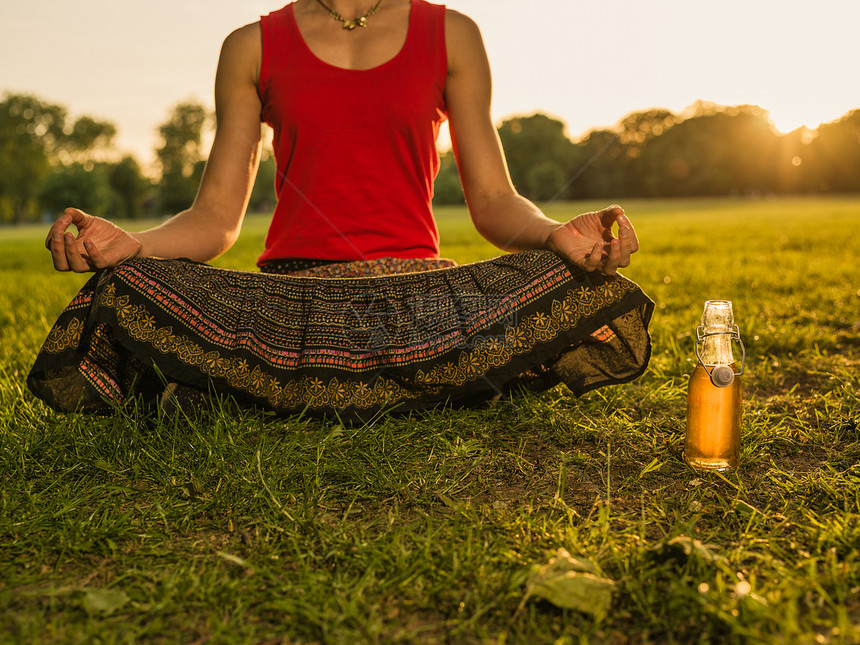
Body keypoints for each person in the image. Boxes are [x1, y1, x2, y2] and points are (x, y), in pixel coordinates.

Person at [29, 0, 653, 420]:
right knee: (131, 281)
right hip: (292, 303)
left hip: (418, 298)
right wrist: (135, 245)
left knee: (575, 276)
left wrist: (554, 237)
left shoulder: (451, 33)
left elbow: (491, 202)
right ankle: (410, 383)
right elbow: (217, 217)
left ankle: (250, 390)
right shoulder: (251, 46)